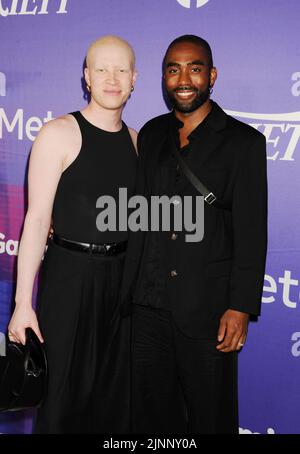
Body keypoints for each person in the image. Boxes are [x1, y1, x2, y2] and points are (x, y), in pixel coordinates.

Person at [120, 35, 268, 434]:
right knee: (150, 422)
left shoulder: (244, 143)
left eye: (194, 68)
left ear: (211, 75)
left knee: (211, 419)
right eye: (173, 69)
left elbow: (252, 233)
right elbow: (139, 213)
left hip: (208, 313)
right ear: (164, 78)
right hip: (147, 309)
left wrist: (240, 307)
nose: (183, 78)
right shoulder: (151, 134)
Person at [7, 35, 138, 433]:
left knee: (113, 403)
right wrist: (22, 304)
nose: (111, 78)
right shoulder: (58, 133)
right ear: (86, 77)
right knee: (61, 401)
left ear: (135, 79)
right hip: (69, 280)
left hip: (121, 288)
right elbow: (36, 221)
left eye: (121, 70)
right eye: (101, 69)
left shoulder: (137, 143)